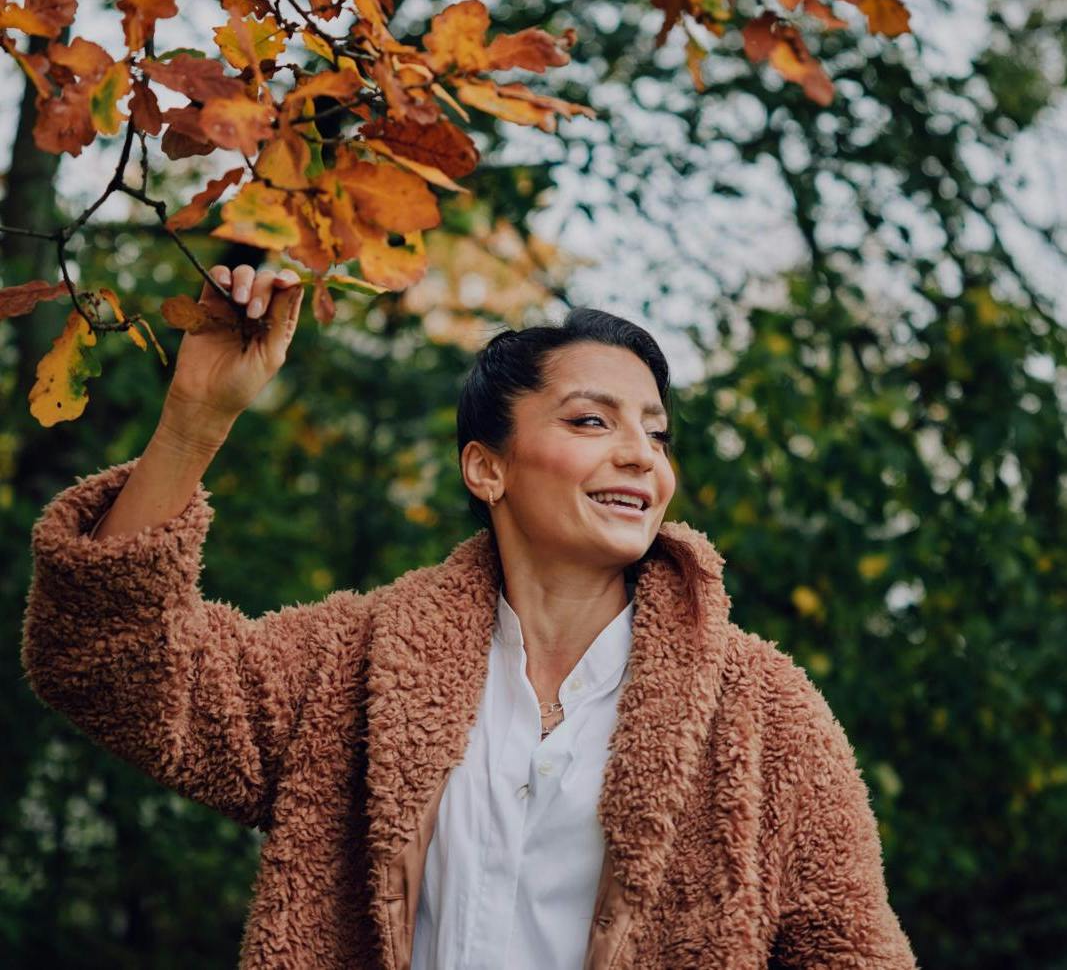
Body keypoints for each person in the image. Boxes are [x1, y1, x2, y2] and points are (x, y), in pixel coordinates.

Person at [21, 263, 920, 969]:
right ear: (485, 468)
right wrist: (194, 415)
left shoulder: (765, 715)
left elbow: (853, 953)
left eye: (655, 431)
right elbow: (113, 664)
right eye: (590, 421)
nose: (639, 455)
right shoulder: (353, 665)